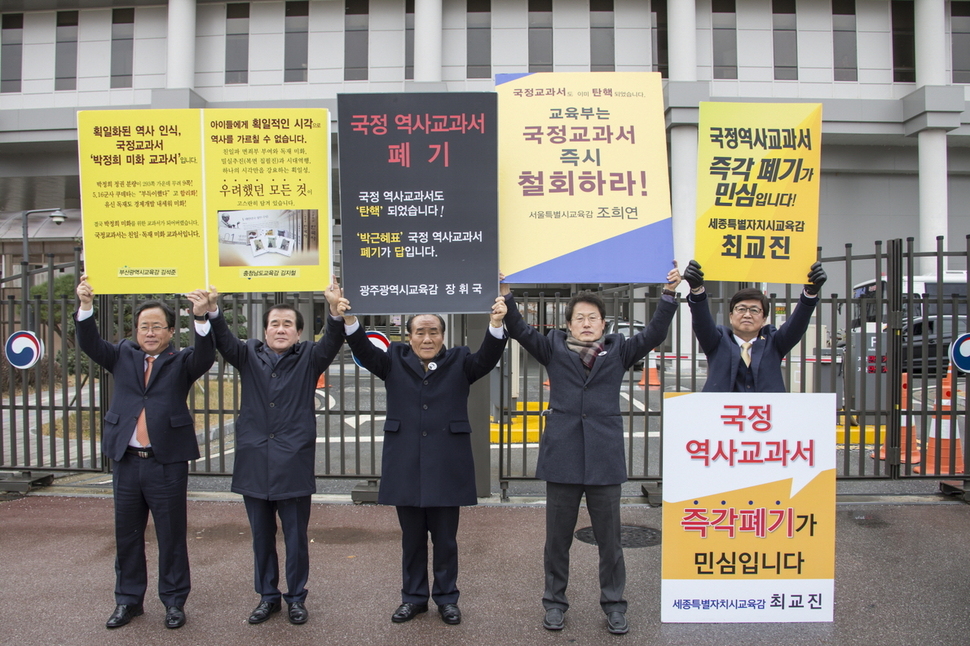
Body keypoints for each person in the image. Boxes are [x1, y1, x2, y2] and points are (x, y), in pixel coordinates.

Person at [500, 265, 683, 636]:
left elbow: (655, 332)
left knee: (611, 541)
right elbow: (518, 328)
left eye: (593, 318)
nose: (587, 323)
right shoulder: (551, 346)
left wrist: (668, 294)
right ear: (569, 324)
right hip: (563, 457)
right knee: (557, 540)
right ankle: (554, 603)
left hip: (603, 457)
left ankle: (614, 605)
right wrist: (506, 292)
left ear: (604, 325)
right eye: (580, 318)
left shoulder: (620, 351)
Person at [339, 292, 508, 626]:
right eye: (420, 332)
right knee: (412, 540)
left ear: (443, 336)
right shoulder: (392, 361)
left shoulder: (460, 361)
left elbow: (487, 357)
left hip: (447, 464)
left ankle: (447, 599)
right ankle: (413, 598)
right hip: (406, 465)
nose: (427, 338)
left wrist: (496, 324)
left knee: (445, 540)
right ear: (409, 336)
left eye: (434, 332)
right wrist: (348, 319)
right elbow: (362, 350)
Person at [74, 275, 215, 630]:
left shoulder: (181, 361)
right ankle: (128, 601)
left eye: (157, 327)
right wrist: (86, 305)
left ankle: (173, 601)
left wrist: (201, 317)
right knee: (127, 536)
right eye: (143, 327)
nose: (149, 332)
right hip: (126, 462)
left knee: (171, 536)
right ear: (136, 330)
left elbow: (206, 355)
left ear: (170, 331)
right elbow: (90, 342)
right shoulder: (122, 355)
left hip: (165, 463)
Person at [204, 282, 346, 625]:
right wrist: (212, 310)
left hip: (293, 461)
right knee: (260, 536)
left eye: (288, 325)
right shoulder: (247, 354)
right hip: (255, 460)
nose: (280, 329)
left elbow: (332, 340)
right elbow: (222, 339)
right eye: (274, 324)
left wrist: (334, 312)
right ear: (265, 331)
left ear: (299, 333)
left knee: (296, 537)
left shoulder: (310, 357)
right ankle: (268, 596)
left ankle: (296, 597)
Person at [683, 260, 827, 392]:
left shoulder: (774, 343)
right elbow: (701, 321)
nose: (747, 315)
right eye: (741, 309)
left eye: (754, 310)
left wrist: (809, 295)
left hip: (765, 417)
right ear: (731, 316)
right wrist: (697, 291)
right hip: (724, 416)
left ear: (764, 318)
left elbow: (796, 326)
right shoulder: (717, 341)